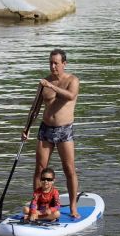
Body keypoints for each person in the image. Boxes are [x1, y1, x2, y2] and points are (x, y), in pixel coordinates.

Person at [22, 48, 81, 218]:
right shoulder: (44, 83)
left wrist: (51, 86)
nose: (53, 66)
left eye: (56, 63)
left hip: (64, 130)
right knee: (40, 170)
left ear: (64, 64)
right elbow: (35, 108)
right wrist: (26, 129)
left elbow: (70, 96)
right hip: (46, 128)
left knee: (69, 168)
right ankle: (37, 207)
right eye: (50, 63)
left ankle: (72, 207)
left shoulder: (72, 80)